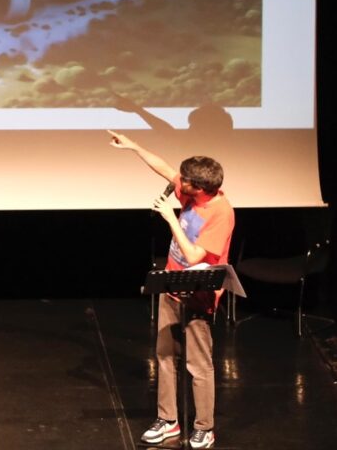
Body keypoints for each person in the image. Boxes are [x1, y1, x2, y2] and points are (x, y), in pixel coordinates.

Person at [108, 130, 235, 450]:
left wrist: (170, 218)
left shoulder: (220, 212)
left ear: (201, 188)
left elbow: (194, 256)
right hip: (172, 285)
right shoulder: (192, 191)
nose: (180, 183)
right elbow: (164, 168)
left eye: (186, 182)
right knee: (165, 356)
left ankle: (204, 427)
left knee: (198, 365)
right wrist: (134, 146)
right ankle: (168, 420)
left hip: (199, 293)